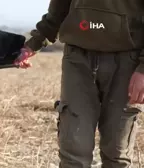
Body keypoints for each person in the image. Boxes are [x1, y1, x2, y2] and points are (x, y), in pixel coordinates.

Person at [22, 0, 144, 167]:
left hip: (127, 61)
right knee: (73, 154)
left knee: (117, 155)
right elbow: (58, 9)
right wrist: (33, 44)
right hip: (78, 58)